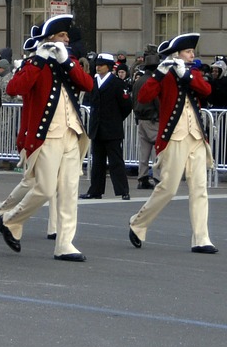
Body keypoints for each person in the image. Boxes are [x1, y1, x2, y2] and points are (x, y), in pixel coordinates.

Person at [0, 15, 94, 262]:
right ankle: (11, 219)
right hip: (47, 135)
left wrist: (67, 63)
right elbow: (14, 88)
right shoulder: (35, 63)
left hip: (72, 133)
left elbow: (88, 85)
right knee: (45, 188)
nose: (67, 39)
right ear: (51, 38)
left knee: (70, 191)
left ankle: (65, 244)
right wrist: (40, 58)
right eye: (62, 35)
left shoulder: (67, 62)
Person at [127, 33, 216, 253]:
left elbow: (207, 91)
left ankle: (201, 238)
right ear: (177, 54)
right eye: (188, 51)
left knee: (199, 189)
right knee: (168, 188)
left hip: (195, 136)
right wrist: (160, 72)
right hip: (174, 137)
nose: (192, 55)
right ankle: (138, 224)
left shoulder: (192, 73)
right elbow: (144, 97)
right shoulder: (164, 75)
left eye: (192, 51)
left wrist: (187, 75)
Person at [82, 52, 132, 200]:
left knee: (116, 161)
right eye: (97, 65)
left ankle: (123, 190)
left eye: (101, 65)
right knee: (97, 162)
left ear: (109, 67)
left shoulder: (117, 83)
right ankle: (95, 190)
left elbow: (126, 106)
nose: (98, 67)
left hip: (112, 129)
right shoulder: (93, 82)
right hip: (97, 128)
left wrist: (116, 119)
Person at [131, 53, 161, 188]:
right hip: (153, 119)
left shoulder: (138, 81)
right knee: (157, 151)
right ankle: (157, 177)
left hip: (141, 119)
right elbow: (157, 101)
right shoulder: (153, 82)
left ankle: (142, 177)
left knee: (144, 152)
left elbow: (134, 100)